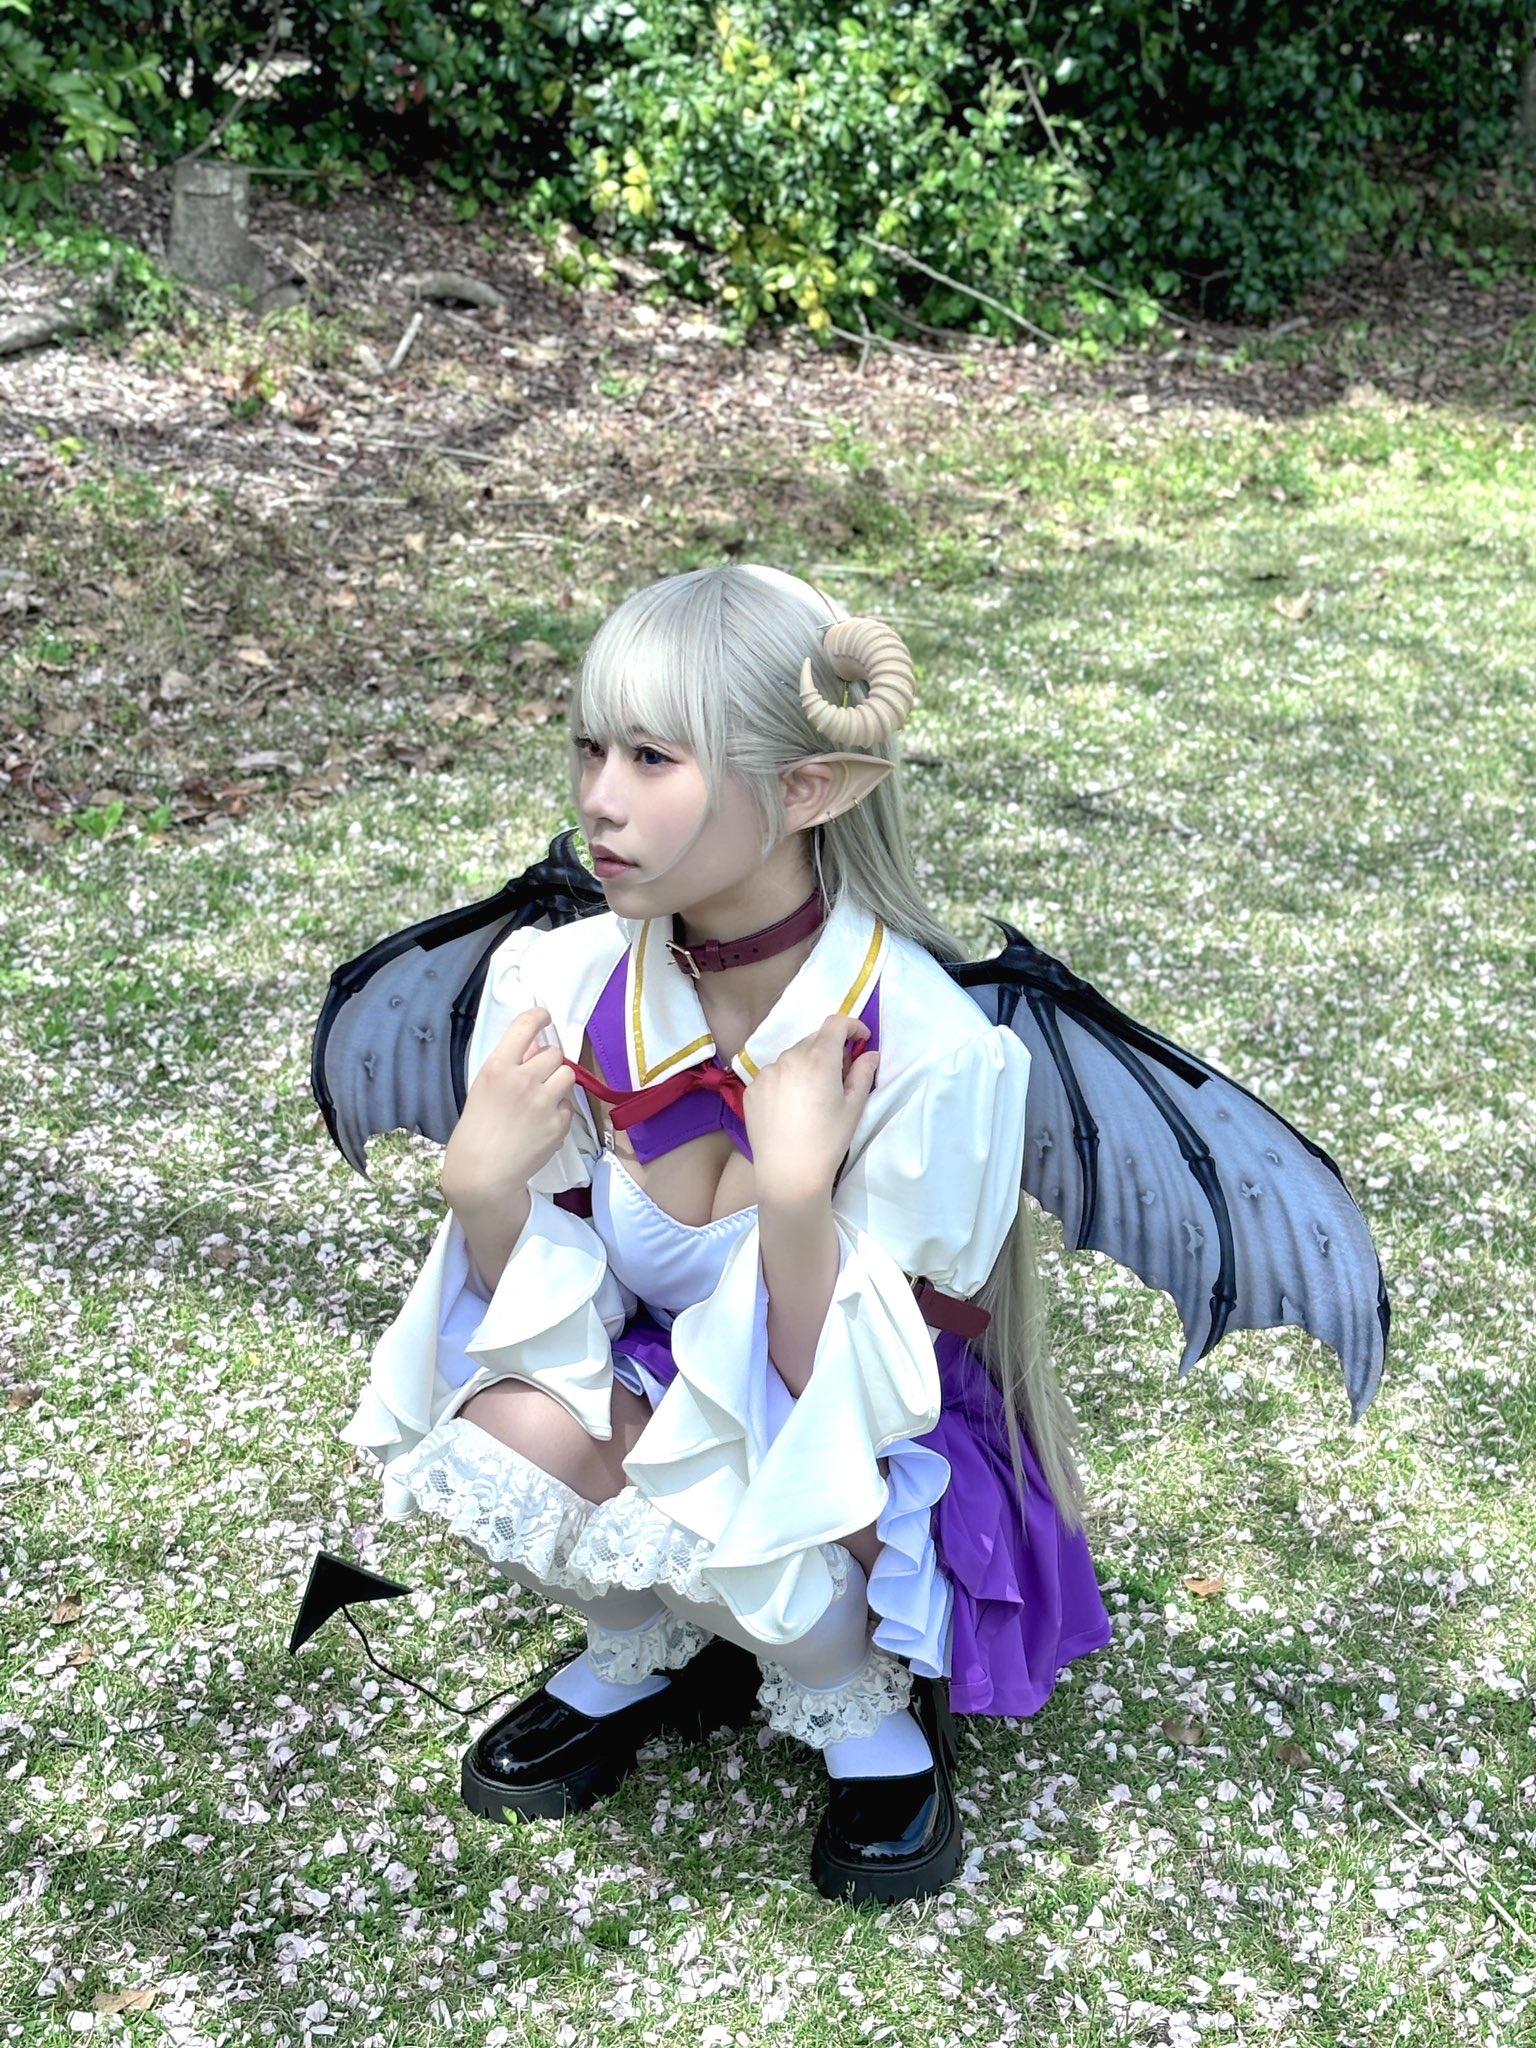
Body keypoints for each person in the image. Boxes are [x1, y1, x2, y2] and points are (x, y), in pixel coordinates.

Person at [339, 563, 1114, 1906]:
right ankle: (641, 1643)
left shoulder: (930, 1048)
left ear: (809, 789)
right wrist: (481, 1192)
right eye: (591, 747)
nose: (599, 799)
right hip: (676, 1403)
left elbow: (849, 1400)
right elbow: (535, 1329)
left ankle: (860, 1708)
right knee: (497, 1420)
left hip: (867, 1454)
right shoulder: (559, 980)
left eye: (653, 758)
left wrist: (800, 1199)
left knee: (736, 1489)